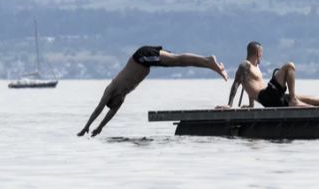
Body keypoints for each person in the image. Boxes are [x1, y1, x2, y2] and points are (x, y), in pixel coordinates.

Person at [78, 46, 227, 137]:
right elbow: (110, 114)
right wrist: (100, 128)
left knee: (176, 59)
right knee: (179, 63)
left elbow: (99, 109)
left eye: (116, 104)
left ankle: (209, 61)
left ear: (113, 99)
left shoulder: (112, 89)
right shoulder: (121, 97)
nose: (119, 105)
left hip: (141, 57)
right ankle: (210, 64)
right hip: (146, 61)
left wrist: (87, 126)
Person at [226, 41, 319, 108]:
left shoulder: (255, 67)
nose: (262, 55)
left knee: (308, 98)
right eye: (261, 53)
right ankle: (294, 100)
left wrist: (251, 105)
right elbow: (236, 83)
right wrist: (229, 105)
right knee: (289, 66)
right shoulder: (245, 65)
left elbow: (250, 86)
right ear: (258, 53)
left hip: (271, 97)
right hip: (267, 96)